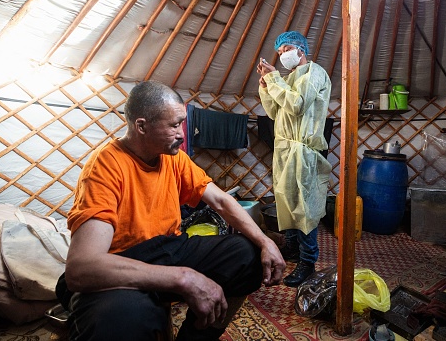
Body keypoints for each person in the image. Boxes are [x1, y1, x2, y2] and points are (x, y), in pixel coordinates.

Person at [56, 81, 286, 341]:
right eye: (174, 125)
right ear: (141, 126)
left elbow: (221, 201)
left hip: (168, 247)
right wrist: (183, 277)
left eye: (182, 124)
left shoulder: (173, 157)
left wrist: (265, 241)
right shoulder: (106, 166)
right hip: (122, 259)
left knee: (247, 254)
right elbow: (81, 268)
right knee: (129, 316)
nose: (182, 134)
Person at [256, 31, 332, 287]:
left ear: (301, 49)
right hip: (284, 149)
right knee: (285, 200)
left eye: (286, 49)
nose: (282, 55)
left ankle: (308, 262)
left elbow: (298, 105)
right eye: (278, 53)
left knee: (304, 207)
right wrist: (267, 86)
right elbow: (275, 112)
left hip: (303, 151)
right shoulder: (286, 79)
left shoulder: (315, 73)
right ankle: (291, 248)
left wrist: (273, 77)